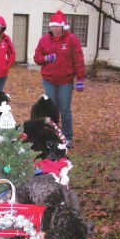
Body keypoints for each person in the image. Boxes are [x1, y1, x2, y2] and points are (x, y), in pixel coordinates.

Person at [34, 10, 85, 148]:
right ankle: (53, 135)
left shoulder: (71, 40)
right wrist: (46, 58)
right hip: (49, 80)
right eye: (53, 26)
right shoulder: (44, 40)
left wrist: (80, 79)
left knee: (65, 109)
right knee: (52, 109)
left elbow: (78, 59)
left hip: (65, 81)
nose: (55, 29)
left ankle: (67, 137)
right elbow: (37, 58)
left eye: (57, 26)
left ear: (63, 27)